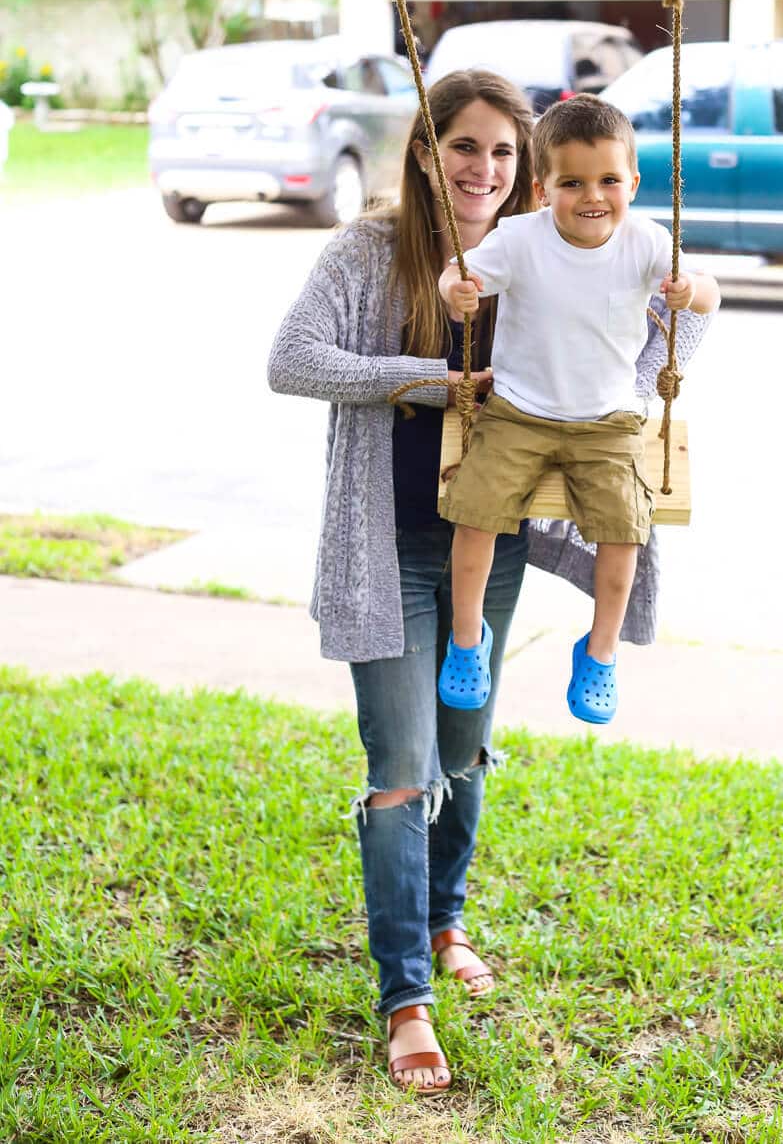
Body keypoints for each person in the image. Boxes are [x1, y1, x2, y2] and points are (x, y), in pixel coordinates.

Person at [267, 72, 714, 1096]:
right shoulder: (372, 252)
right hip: (388, 547)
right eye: (464, 147)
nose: (485, 169)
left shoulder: (554, 247)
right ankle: (406, 997)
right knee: (401, 769)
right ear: (427, 153)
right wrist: (422, 377)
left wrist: (638, 367)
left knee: (462, 753)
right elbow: (290, 360)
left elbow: (660, 341)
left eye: (504, 152)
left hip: (494, 541)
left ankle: (444, 917)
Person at [437, 94, 721, 726]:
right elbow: (458, 277)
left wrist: (689, 290)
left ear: (633, 183)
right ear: (541, 189)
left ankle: (600, 652)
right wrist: (457, 291)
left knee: (625, 531)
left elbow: (710, 296)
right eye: (572, 182)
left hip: (609, 420)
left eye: (609, 181)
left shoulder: (648, 242)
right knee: (475, 516)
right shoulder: (518, 240)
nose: (593, 196)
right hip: (517, 412)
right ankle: (466, 639)